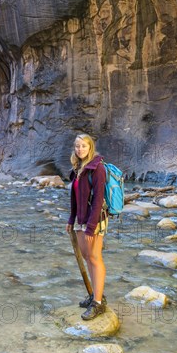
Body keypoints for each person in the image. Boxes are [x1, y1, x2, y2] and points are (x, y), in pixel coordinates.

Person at [66, 134, 108, 320]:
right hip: (80, 219)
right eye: (77, 146)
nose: (80, 149)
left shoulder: (97, 168)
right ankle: (95, 294)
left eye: (83, 146)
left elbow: (98, 199)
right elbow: (75, 197)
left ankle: (98, 303)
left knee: (95, 257)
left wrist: (91, 228)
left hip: (95, 220)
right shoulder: (78, 168)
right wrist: (70, 219)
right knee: (86, 256)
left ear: (90, 147)